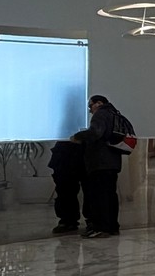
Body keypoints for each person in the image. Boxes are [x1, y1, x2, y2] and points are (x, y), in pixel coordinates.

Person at [81, 94, 135, 237]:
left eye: (90, 106)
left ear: (98, 103)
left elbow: (95, 133)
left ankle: (100, 228)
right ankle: (112, 227)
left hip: (99, 162)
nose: (90, 110)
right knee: (110, 196)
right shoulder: (115, 114)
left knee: (99, 197)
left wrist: (79, 136)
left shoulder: (101, 114)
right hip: (113, 163)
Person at [48, 136, 85, 234]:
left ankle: (69, 220)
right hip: (66, 153)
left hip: (76, 151)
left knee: (68, 189)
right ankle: (68, 220)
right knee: (64, 189)